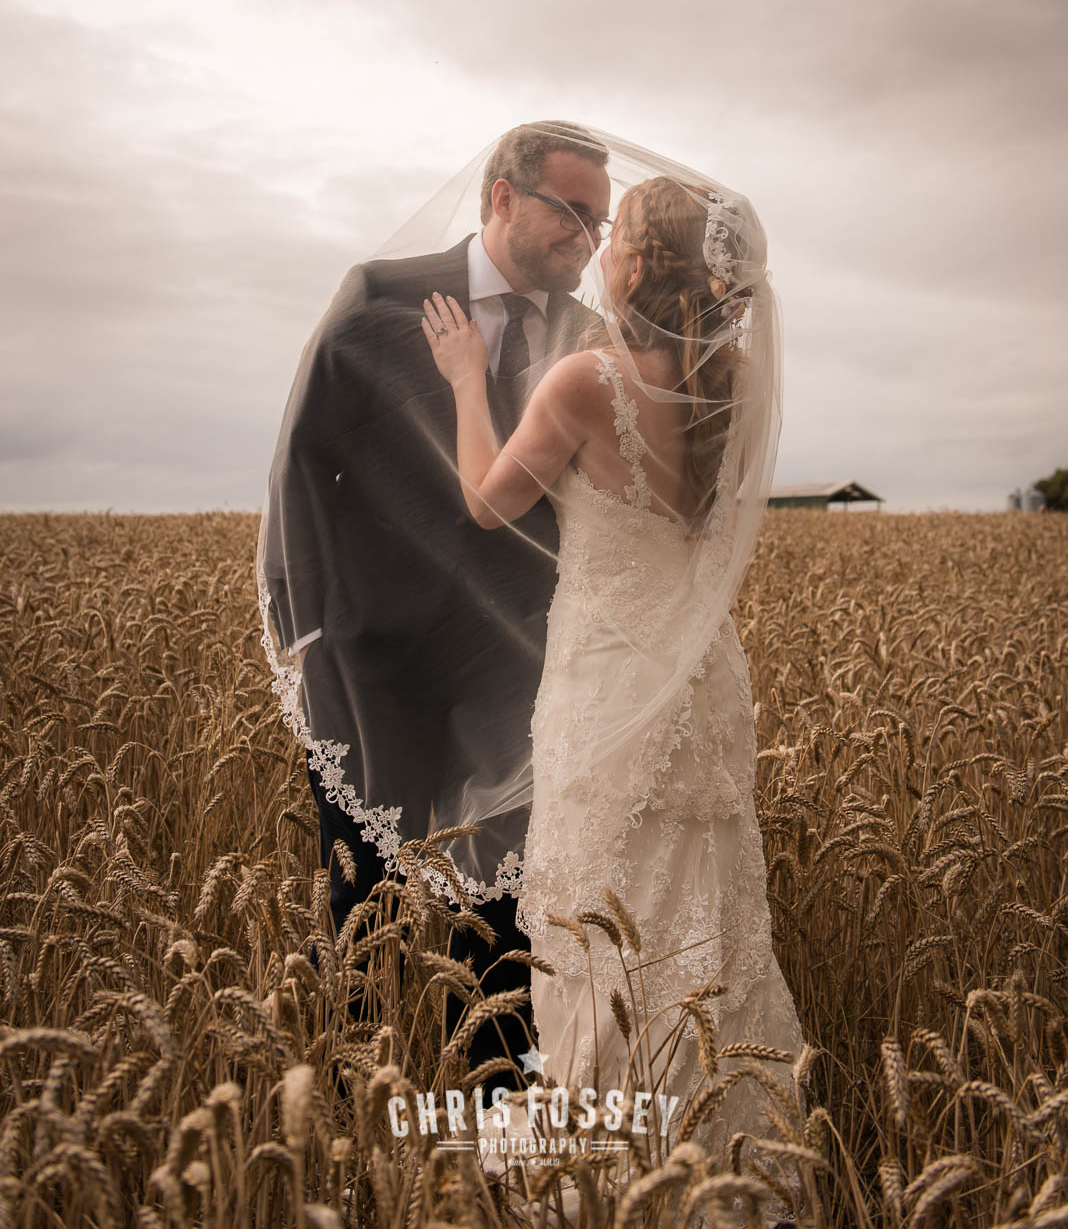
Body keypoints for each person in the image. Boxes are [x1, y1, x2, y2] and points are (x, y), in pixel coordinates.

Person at [421, 166, 805, 1167]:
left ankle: (609, 1159)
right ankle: (724, 1153)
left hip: (602, 687)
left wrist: (468, 379)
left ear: (642, 262)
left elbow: (488, 502)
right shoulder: (741, 384)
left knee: (591, 915)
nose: (601, 241)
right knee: (706, 915)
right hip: (702, 681)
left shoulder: (586, 381)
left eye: (619, 229)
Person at [257, 121, 611, 1065]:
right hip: (371, 662)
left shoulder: (587, 339)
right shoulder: (380, 300)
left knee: (504, 913)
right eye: (573, 214)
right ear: (503, 196)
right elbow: (304, 462)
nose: (590, 240)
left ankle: (491, 1132)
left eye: (602, 225)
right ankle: (350, 1118)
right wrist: (304, 628)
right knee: (361, 904)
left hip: (518, 671)